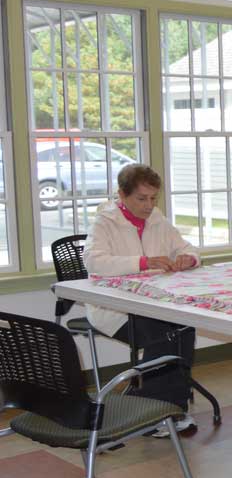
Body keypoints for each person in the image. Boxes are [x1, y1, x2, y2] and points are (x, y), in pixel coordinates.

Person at [83, 164, 200, 437]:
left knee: (185, 327)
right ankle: (151, 413)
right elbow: (93, 261)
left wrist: (189, 258)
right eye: (141, 199)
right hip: (115, 309)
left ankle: (173, 409)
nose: (149, 206)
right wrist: (143, 262)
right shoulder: (105, 222)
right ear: (122, 195)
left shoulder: (157, 219)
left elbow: (186, 246)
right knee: (163, 333)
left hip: (157, 303)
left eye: (153, 198)